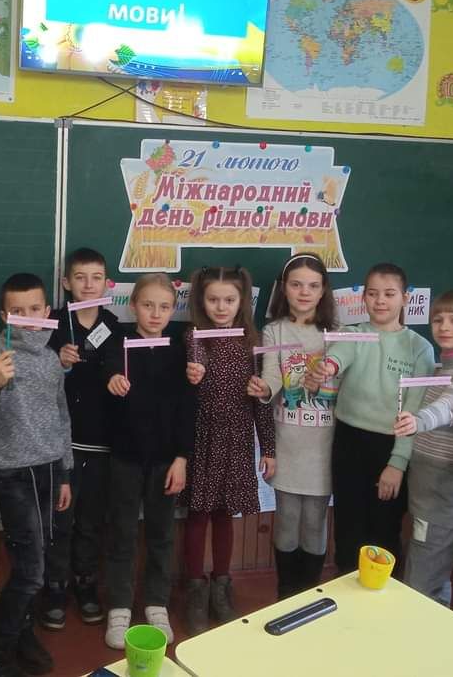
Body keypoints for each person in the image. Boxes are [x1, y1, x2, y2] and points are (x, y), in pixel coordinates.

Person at [0, 273, 73, 677]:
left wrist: (64, 472)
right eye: (17, 311)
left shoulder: (51, 359)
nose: (27, 318)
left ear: (46, 312)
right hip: (13, 475)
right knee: (30, 572)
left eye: (34, 309)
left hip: (49, 470)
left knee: (37, 562)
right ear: (4, 316)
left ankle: (22, 633)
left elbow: (62, 416)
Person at [306, 262, 434, 572]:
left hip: (392, 447)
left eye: (389, 294)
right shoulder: (354, 334)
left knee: (384, 530)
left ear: (405, 298)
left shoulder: (420, 349)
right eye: (373, 294)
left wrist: (397, 464)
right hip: (349, 441)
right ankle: (347, 590)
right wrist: (327, 368)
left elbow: (414, 412)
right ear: (363, 297)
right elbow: (339, 356)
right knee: (349, 528)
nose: (380, 301)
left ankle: (383, 595)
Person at [103, 273, 198, 650]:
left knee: (161, 534)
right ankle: (120, 606)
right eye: (147, 305)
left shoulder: (179, 350)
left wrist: (182, 458)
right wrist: (112, 378)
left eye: (164, 307)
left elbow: (187, 409)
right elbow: (108, 369)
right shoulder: (119, 341)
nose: (155, 313)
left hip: (165, 461)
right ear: (133, 306)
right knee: (122, 533)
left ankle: (157, 603)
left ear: (173, 309)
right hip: (125, 457)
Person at [182, 266, 275, 634]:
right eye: (213, 299)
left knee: (225, 515)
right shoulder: (194, 336)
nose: (221, 307)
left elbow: (261, 400)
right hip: (201, 438)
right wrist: (193, 374)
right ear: (201, 301)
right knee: (197, 515)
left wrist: (268, 448)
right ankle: (194, 590)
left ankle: (222, 586)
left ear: (242, 302)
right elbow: (192, 370)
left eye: (229, 300)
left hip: (237, 439)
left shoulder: (253, 342)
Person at [42, 247, 120, 629]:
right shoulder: (52, 324)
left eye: (96, 277)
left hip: (101, 441)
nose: (88, 285)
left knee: (91, 519)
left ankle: (85, 582)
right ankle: (55, 585)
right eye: (80, 277)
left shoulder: (115, 326)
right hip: (61, 442)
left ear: (108, 283)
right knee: (60, 518)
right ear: (66, 283)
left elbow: (119, 374)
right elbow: (33, 378)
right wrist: (58, 362)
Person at [393, 290, 453, 605]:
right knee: (431, 574)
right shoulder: (439, 370)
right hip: (425, 489)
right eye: (438, 320)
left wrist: (418, 421)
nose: (444, 327)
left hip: (445, 494)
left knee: (420, 581)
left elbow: (450, 406)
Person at [254, 253, 338, 599]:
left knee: (315, 520)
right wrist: (264, 389)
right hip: (287, 442)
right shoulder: (273, 330)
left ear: (323, 291)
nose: (304, 292)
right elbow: (272, 375)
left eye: (313, 286)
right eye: (296, 284)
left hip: (324, 447)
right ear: (284, 288)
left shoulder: (337, 334)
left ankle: (308, 593)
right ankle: (286, 594)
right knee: (287, 518)